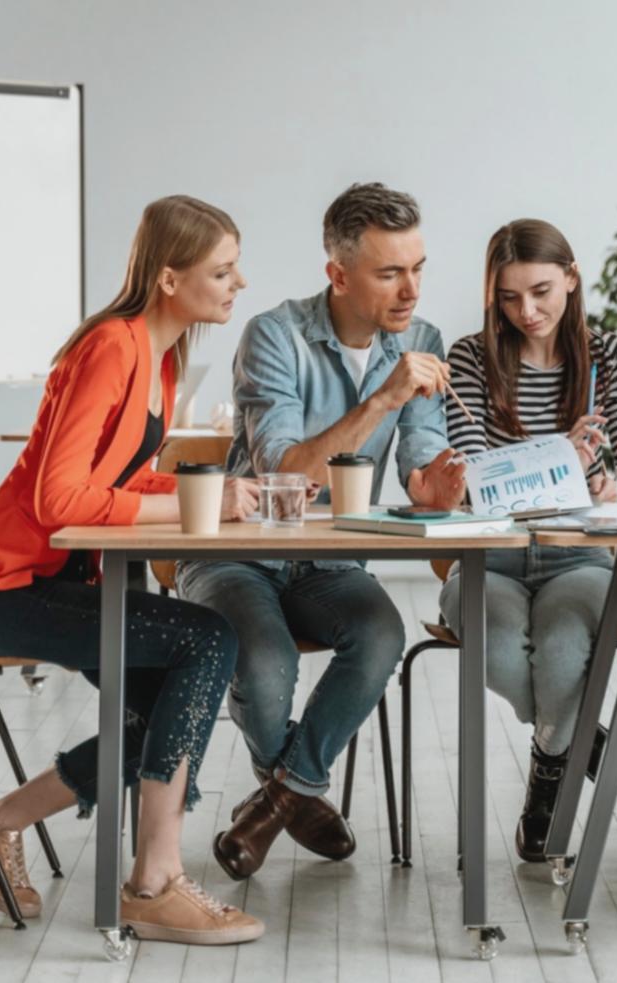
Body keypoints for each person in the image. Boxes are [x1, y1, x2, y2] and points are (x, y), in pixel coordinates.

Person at [0, 195, 263, 944]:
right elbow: (59, 499)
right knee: (205, 641)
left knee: (160, 704)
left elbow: (116, 477)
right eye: (223, 269)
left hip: (47, 580)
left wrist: (209, 492)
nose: (238, 282)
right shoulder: (113, 346)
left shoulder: (161, 357)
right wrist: (190, 498)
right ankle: (154, 882)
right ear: (171, 278)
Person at [177, 182, 467, 880]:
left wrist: (439, 484)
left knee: (381, 634)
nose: (410, 289)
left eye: (418, 267)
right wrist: (385, 395)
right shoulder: (274, 334)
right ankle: (302, 796)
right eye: (389, 271)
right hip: (243, 554)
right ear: (338, 273)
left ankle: (279, 797)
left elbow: (419, 464)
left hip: (332, 561)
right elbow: (286, 472)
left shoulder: (420, 341)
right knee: (266, 660)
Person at [439, 218, 617, 861]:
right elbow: (475, 479)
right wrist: (564, 458)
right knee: (498, 649)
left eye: (542, 292)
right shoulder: (470, 357)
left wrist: (562, 469)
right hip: (486, 556)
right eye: (508, 297)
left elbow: (612, 474)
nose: (526, 312)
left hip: (577, 554)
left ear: (573, 280)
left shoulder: (612, 356)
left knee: (561, 653)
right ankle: (582, 739)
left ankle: (546, 790)